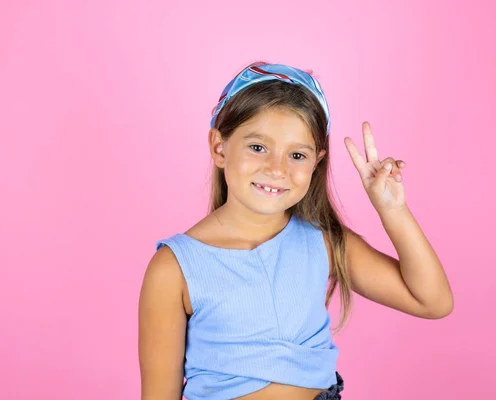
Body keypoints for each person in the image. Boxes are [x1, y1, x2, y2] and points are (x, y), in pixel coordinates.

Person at [138, 61, 454, 400]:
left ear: (316, 162)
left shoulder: (324, 241)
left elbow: (432, 301)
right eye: (257, 147)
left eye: (297, 155)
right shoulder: (174, 268)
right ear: (219, 147)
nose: (277, 169)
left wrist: (392, 210)